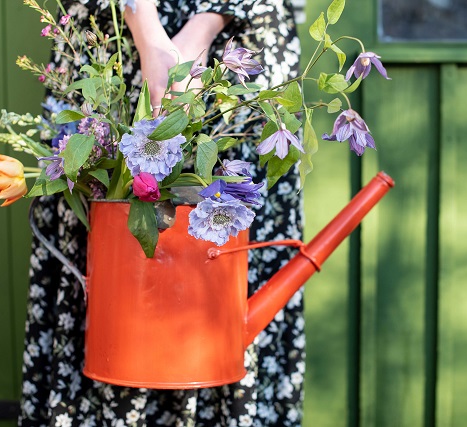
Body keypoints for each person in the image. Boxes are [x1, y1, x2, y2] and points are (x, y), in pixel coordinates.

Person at [19, 0, 304, 425]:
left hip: (241, 55)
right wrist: (147, 31)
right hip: (117, 48)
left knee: (232, 210)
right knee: (105, 230)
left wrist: (207, 24)